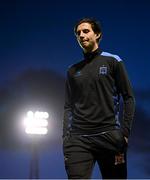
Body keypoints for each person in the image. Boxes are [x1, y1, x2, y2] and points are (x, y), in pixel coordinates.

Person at [63, 17, 135, 179]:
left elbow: (129, 97)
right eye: (78, 33)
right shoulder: (72, 71)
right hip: (78, 140)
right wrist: (65, 138)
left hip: (110, 137)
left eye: (86, 31)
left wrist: (124, 133)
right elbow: (68, 106)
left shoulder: (113, 61)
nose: (81, 35)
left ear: (97, 35)